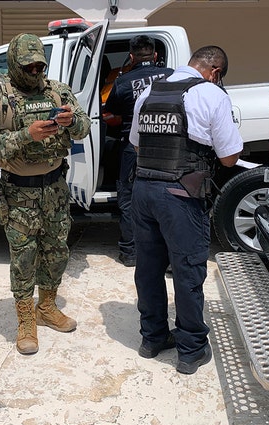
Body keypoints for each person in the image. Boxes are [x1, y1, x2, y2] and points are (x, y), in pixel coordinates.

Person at [0, 33, 90, 355]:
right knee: (24, 258)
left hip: (55, 187)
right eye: (29, 67)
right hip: (17, 193)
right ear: (14, 63)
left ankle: (47, 306)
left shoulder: (57, 91)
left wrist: (71, 120)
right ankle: (26, 320)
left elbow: (84, 127)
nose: (36, 72)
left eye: (40, 66)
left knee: (57, 251)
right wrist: (27, 135)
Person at [128, 46, 243, 374]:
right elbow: (229, 157)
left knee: (148, 269)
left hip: (143, 190)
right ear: (215, 71)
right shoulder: (210, 94)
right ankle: (191, 350)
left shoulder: (150, 91)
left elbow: (137, 143)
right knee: (188, 270)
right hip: (180, 194)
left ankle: (151, 338)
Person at [104, 35, 173, 267]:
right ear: (155, 55)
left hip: (133, 147)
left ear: (131, 57)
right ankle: (170, 255)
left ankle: (131, 253)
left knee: (129, 198)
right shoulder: (172, 75)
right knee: (170, 198)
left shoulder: (123, 83)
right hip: (169, 147)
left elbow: (111, 110)